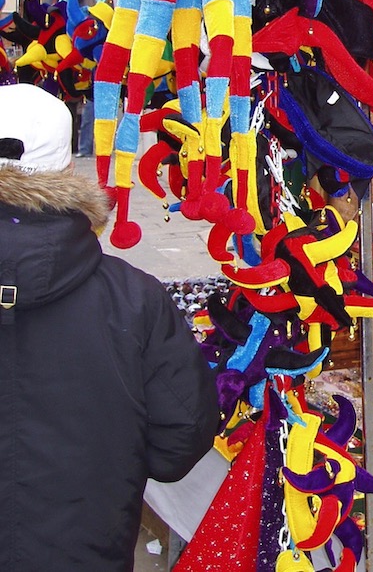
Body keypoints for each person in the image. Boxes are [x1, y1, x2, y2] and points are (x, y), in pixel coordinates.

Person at [0, 84, 218, 571]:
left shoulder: (134, 299)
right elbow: (180, 438)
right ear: (67, 170)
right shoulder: (133, 299)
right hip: (82, 550)